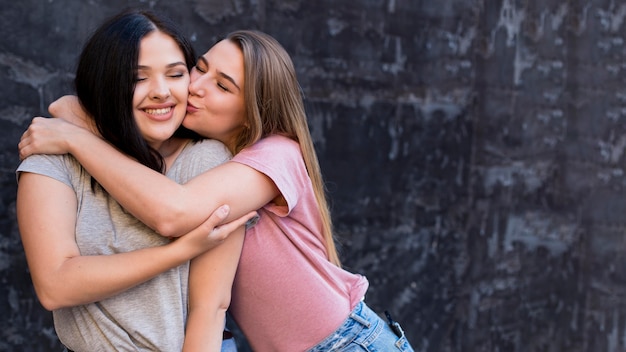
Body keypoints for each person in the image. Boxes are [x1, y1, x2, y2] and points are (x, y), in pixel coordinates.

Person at [19, 30, 414, 351]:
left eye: (223, 86)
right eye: (200, 69)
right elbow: (70, 104)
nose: (196, 87)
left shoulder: (274, 156)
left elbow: (172, 212)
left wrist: (76, 140)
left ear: (254, 108)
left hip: (345, 344)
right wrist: (75, 118)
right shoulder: (201, 152)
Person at [16, 10, 257, 352]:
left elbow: (210, 309)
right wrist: (178, 252)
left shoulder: (207, 160)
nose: (161, 92)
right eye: (137, 78)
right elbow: (55, 286)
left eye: (175, 74)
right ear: (106, 81)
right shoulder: (53, 158)